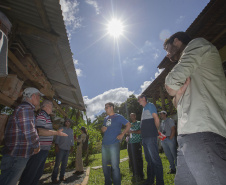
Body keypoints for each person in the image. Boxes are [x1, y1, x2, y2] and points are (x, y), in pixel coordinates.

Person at [164, 31, 226, 185]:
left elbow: (171, 85)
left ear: (177, 41)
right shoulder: (189, 66)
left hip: (203, 132)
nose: (167, 55)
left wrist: (174, 91)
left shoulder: (198, 44)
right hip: (188, 137)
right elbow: (175, 101)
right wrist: (176, 95)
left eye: (167, 49)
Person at [19, 100, 68, 185]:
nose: (52, 108)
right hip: (39, 149)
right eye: (51, 106)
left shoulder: (46, 116)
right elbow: (40, 131)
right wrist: (56, 133)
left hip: (44, 150)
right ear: (46, 106)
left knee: (37, 174)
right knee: (30, 174)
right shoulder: (42, 115)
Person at [0, 87, 42, 185]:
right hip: (17, 155)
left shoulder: (22, 108)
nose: (40, 100)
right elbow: (30, 130)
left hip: (14, 154)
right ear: (34, 96)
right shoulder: (26, 108)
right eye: (39, 96)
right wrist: (36, 145)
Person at [101, 102, 131, 185]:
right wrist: (103, 129)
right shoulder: (106, 118)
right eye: (105, 107)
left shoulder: (118, 117)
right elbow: (103, 129)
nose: (105, 109)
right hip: (105, 145)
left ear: (112, 107)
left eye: (107, 107)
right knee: (105, 167)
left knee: (114, 167)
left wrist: (122, 134)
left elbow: (128, 125)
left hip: (114, 144)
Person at [138, 94, 164, 185]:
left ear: (144, 98)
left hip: (150, 137)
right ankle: (150, 181)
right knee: (149, 161)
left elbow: (156, 118)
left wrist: (156, 130)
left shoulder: (150, 105)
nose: (138, 101)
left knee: (155, 160)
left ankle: (160, 182)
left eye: (139, 99)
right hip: (145, 138)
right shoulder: (143, 109)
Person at [52, 118, 74, 183]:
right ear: (65, 123)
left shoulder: (71, 130)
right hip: (60, 148)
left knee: (64, 164)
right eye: (66, 121)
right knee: (57, 164)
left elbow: (72, 139)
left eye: (68, 121)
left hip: (67, 149)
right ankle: (54, 177)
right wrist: (56, 146)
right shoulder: (61, 129)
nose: (67, 122)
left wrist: (72, 147)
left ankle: (62, 176)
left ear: (70, 123)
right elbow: (58, 137)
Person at [127, 113, 144, 181]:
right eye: (130, 116)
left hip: (137, 143)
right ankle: (135, 173)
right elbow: (128, 133)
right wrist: (127, 135)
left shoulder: (139, 122)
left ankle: (141, 174)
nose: (131, 117)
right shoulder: (130, 124)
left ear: (135, 116)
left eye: (133, 115)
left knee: (139, 159)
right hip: (130, 144)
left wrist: (132, 131)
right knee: (132, 159)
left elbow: (141, 131)